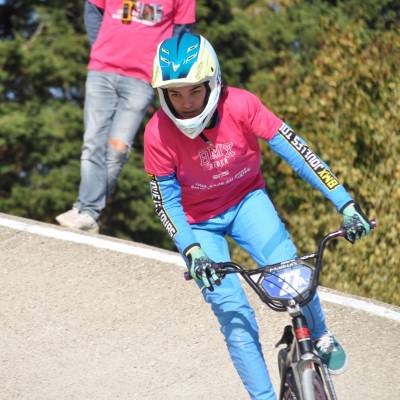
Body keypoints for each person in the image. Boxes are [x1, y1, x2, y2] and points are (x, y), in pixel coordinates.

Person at [144, 33, 371, 400]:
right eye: (175, 93)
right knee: (234, 315)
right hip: (199, 225)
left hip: (247, 202)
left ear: (213, 81)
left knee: (293, 276)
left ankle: (321, 335)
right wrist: (192, 250)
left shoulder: (242, 104)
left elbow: (297, 151)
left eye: (194, 91)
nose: (185, 104)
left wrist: (345, 203)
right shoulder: (157, 133)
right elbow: (165, 202)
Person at [56, 0, 196, 233]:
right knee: (92, 142)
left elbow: (181, 34)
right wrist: (98, 46)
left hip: (142, 79)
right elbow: (93, 8)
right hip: (102, 70)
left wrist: (163, 70)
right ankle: (88, 211)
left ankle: (84, 209)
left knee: (118, 149)